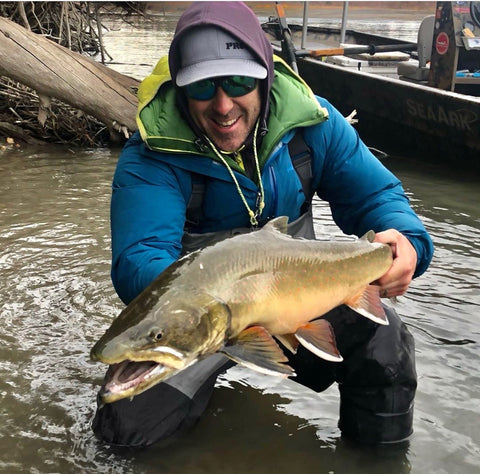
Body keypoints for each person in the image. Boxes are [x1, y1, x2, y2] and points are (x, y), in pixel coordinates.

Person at [92, 1, 433, 448]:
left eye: (238, 82)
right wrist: (218, 301)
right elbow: (139, 257)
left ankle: (379, 460)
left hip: (300, 303)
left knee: (387, 344)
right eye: (202, 87)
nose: (222, 104)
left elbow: (377, 197)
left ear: (264, 77)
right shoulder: (150, 155)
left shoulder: (317, 124)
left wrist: (406, 241)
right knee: (125, 430)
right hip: (212, 318)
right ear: (180, 88)